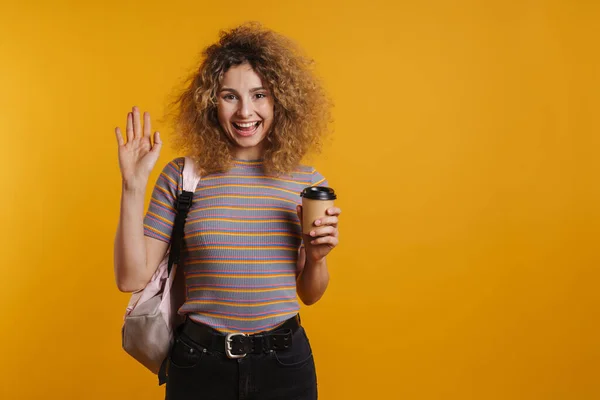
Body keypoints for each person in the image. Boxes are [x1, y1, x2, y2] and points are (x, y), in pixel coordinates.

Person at [113, 22, 341, 400]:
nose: (245, 111)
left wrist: (316, 258)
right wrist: (132, 186)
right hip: (199, 365)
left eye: (259, 95)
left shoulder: (307, 182)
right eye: (229, 96)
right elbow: (129, 278)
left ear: (279, 101)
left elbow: (310, 294)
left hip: (285, 366)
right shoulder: (183, 177)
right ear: (210, 102)